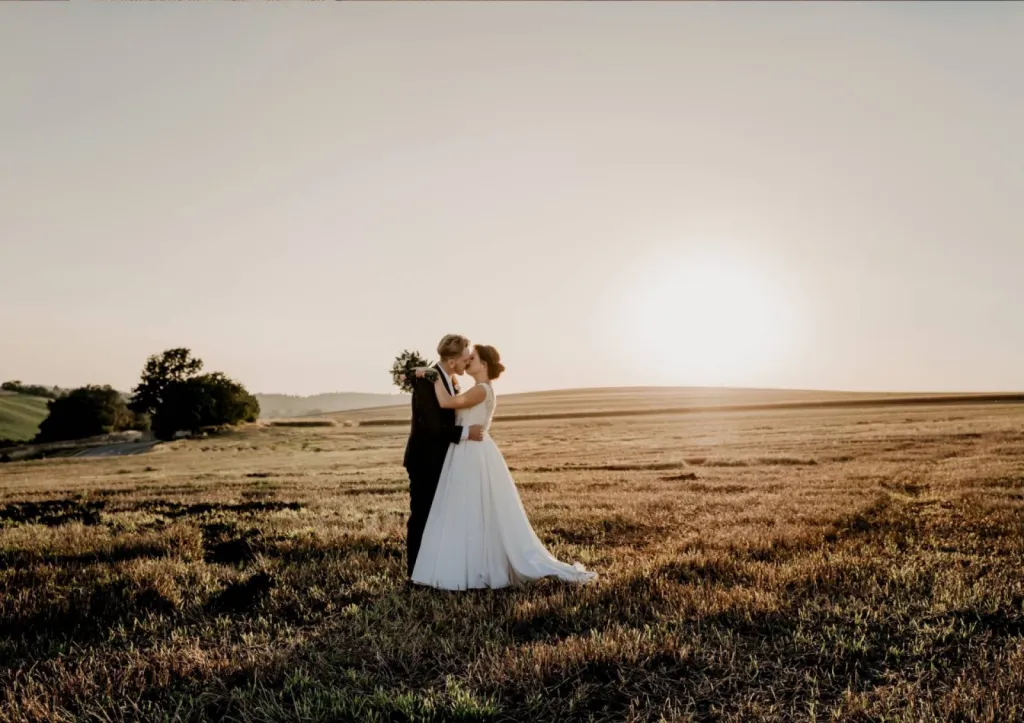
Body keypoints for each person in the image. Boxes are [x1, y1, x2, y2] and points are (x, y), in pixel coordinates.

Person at [411, 344, 596, 590]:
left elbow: (446, 403)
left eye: (472, 358)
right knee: (467, 508)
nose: (467, 361)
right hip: (464, 451)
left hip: (473, 453)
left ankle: (477, 566)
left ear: (483, 364)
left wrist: (433, 377)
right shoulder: (476, 388)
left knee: (475, 506)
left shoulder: (481, 390)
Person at [403, 334, 484, 578]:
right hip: (425, 460)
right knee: (422, 515)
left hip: (442, 459)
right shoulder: (427, 381)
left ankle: (434, 568)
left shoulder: (448, 380)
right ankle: (415, 573)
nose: (467, 361)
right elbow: (431, 427)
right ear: (452, 362)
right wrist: (466, 433)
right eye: (465, 358)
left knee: (439, 516)